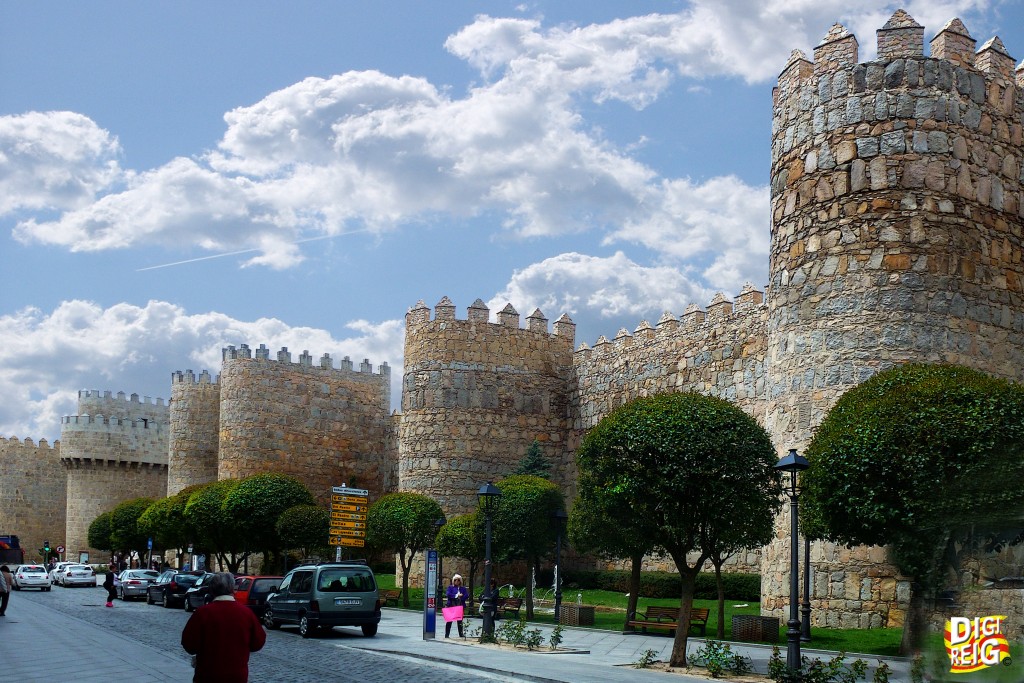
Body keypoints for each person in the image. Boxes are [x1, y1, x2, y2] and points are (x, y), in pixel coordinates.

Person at [182, 572, 266, 683]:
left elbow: (189, 643)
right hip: (236, 675)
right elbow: (258, 642)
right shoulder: (246, 613)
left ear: (212, 590)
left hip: (207, 674)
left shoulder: (202, 613)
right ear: (232, 589)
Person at [443, 574, 467, 638]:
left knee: (460, 621)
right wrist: (456, 595)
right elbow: (448, 594)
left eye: (458, 580)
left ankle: (461, 633)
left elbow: (466, 595)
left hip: (460, 606)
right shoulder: (450, 587)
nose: (457, 581)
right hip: (451, 605)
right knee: (449, 620)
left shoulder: (463, 589)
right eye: (455, 580)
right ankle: (447, 634)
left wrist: (461, 597)